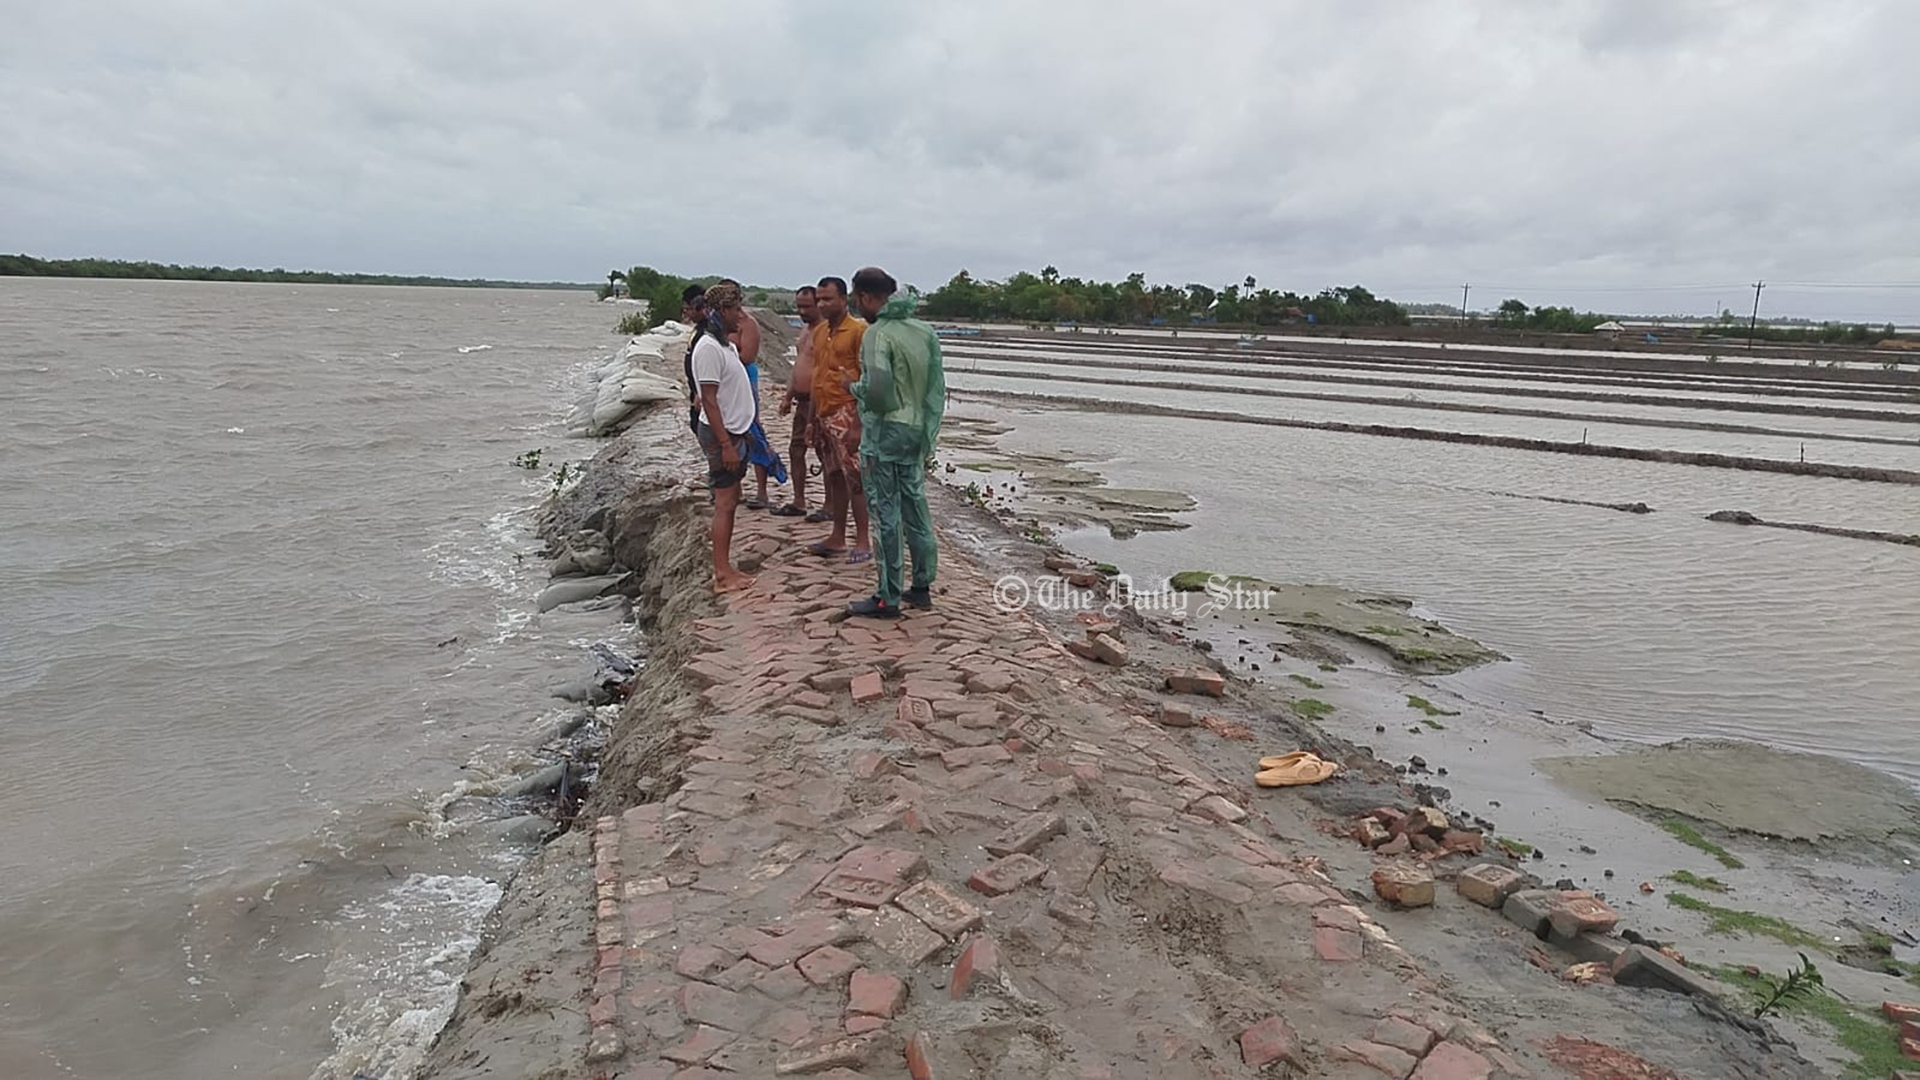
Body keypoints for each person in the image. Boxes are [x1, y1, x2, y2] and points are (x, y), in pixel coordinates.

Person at [845, 267, 944, 618]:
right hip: (915, 430)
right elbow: (935, 389)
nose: (857, 306)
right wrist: (927, 430)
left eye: (857, 299)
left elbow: (880, 393)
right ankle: (921, 586)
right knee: (915, 507)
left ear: (866, 297)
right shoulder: (923, 331)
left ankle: (887, 596)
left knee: (885, 511)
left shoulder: (878, 334)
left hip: (886, 432)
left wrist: (852, 387)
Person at [689, 283, 759, 592]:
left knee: (730, 501)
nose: (741, 316)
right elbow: (709, 400)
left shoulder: (724, 345)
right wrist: (727, 445)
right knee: (725, 503)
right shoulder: (708, 348)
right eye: (737, 310)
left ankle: (725, 567)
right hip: (723, 435)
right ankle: (721, 573)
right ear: (722, 311)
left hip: (734, 431)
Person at [805, 276, 870, 563]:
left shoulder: (859, 331)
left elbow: (867, 379)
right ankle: (837, 536)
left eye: (827, 299)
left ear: (844, 300)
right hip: (824, 411)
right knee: (834, 476)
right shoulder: (820, 332)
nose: (822, 304)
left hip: (848, 411)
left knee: (855, 478)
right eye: (819, 299)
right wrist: (811, 420)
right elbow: (816, 375)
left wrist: (858, 424)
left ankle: (863, 540)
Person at [774, 285, 820, 517]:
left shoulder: (824, 332)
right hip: (802, 401)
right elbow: (799, 365)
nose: (802, 311)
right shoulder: (804, 330)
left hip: (819, 401)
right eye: (799, 306)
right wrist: (788, 396)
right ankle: (799, 500)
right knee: (796, 449)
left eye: (807, 306)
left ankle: (830, 505)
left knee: (825, 454)